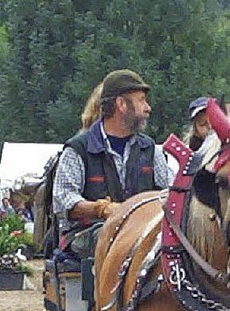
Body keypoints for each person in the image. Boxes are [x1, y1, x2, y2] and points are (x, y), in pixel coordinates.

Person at [52, 68, 171, 257]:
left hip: (143, 231)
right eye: (141, 100)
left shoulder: (150, 149)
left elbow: (169, 194)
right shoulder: (78, 149)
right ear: (121, 104)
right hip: (88, 233)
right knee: (118, 240)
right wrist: (102, 209)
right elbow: (63, 200)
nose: (148, 108)